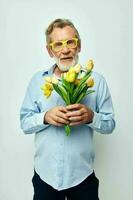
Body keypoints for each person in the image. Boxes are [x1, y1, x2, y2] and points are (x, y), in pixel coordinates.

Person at [20, 18, 115, 200]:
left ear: (79, 46)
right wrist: (45, 117)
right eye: (57, 44)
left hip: (83, 177)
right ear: (49, 50)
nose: (65, 50)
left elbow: (110, 124)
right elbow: (24, 123)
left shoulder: (95, 81)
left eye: (70, 42)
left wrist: (91, 116)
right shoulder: (38, 81)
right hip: (44, 176)